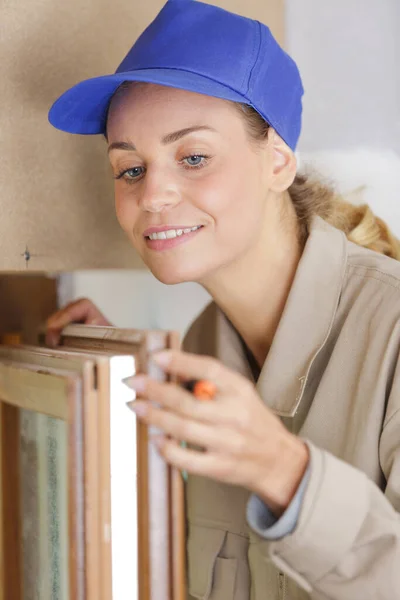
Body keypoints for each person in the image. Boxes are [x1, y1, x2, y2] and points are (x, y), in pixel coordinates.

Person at [47, 0, 400, 598]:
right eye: (129, 168)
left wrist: (284, 471)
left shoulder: (390, 331)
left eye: (193, 157)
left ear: (278, 161)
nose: (153, 194)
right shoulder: (203, 345)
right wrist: (124, 377)